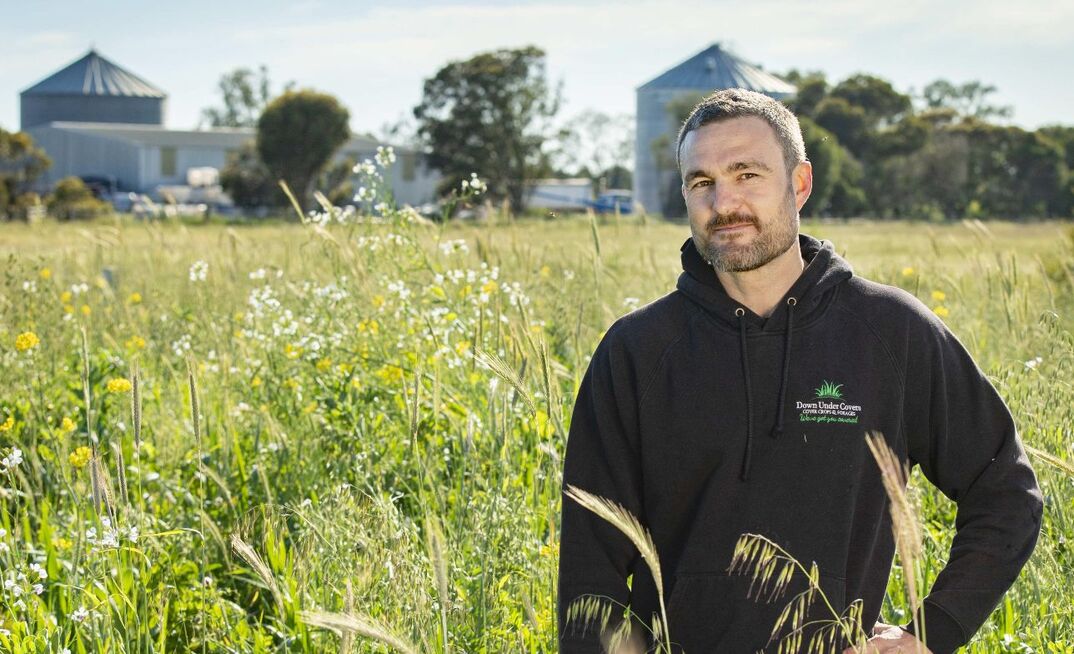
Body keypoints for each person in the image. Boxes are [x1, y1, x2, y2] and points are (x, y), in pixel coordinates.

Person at [557, 88, 1042, 654]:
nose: (724, 202)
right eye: (701, 182)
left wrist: (933, 633)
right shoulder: (637, 351)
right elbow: (591, 568)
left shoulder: (891, 333)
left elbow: (1005, 490)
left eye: (747, 175)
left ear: (800, 183)